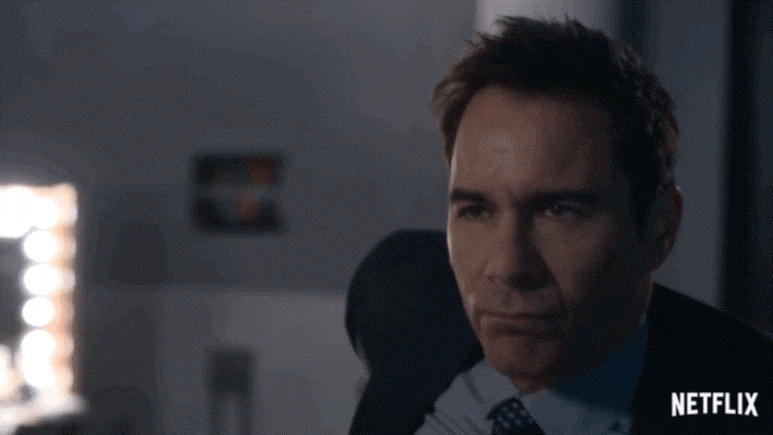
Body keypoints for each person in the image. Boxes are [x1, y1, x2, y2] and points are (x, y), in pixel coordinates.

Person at [346, 16, 772, 435]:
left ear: (659, 228)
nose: (509, 267)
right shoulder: (399, 288)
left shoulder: (744, 401)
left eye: (562, 211)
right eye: (476, 210)